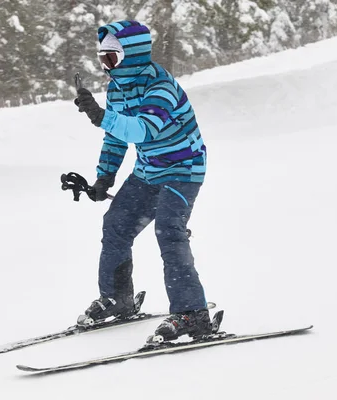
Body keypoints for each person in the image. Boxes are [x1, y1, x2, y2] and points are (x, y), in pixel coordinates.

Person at [74, 20, 210, 342]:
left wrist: (100, 115)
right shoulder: (117, 88)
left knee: (168, 229)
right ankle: (118, 298)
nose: (106, 66)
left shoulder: (160, 87)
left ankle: (192, 313)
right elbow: (117, 138)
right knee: (116, 224)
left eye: (112, 58)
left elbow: (142, 130)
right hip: (148, 170)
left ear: (132, 55)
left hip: (183, 168)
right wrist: (104, 177)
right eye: (103, 59)